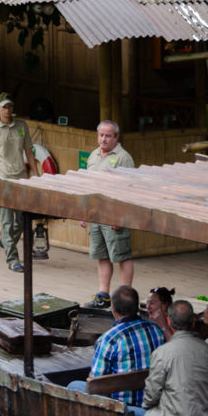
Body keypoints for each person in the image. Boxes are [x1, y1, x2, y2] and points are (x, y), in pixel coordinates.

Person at [68, 285, 163, 408]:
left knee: (74, 385)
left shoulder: (109, 339)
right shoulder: (155, 329)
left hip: (124, 409)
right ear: (137, 307)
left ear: (113, 309)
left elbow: (95, 385)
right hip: (155, 405)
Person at [0, 92, 39, 272]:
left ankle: (7, 241)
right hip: (2, 178)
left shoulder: (21, 126)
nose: (8, 109)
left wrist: (37, 176)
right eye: (4, 106)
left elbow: (29, 152)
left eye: (10, 106)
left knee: (22, 219)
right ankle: (12, 260)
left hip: (20, 177)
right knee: (6, 220)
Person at [81, 120, 135, 308]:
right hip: (96, 214)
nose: (103, 139)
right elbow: (88, 185)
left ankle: (125, 297)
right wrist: (85, 212)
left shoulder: (123, 157)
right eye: (101, 135)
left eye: (108, 135)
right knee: (101, 254)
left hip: (114, 215)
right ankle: (103, 294)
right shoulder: (93, 155)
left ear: (116, 137)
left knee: (122, 255)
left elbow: (128, 189)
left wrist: (120, 216)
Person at [141, 300, 208, 416]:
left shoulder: (162, 352)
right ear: (193, 321)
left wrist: (147, 406)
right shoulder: (207, 350)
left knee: (131, 412)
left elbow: (151, 395)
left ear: (168, 321)